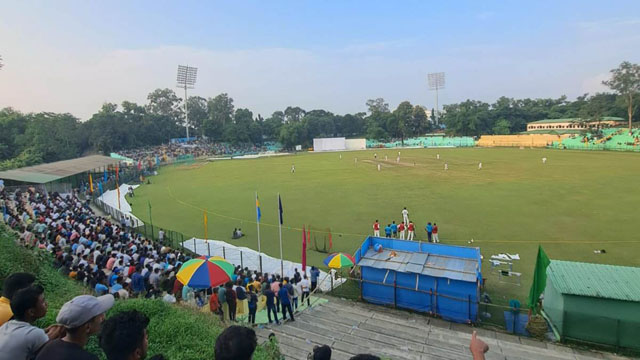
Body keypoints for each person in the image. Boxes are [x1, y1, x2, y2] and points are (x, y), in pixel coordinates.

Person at [36, 294, 114, 360]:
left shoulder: (49, 346)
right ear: (87, 327)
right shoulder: (87, 358)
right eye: (100, 315)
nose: (103, 317)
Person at [0, 285, 50, 360]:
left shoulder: (5, 326)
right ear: (31, 312)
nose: (46, 304)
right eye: (43, 301)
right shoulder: (36, 334)